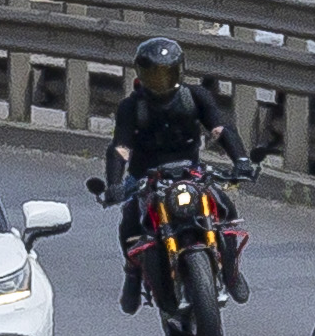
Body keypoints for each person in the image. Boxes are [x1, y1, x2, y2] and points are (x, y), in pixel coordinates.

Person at [100, 35, 246, 313]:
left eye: (166, 74)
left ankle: (232, 270)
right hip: (146, 176)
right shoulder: (131, 107)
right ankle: (132, 275)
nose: (160, 81)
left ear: (180, 70)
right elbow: (120, 148)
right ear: (141, 76)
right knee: (129, 220)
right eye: (153, 75)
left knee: (225, 206)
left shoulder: (196, 97)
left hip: (190, 171)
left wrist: (241, 160)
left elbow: (219, 128)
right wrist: (114, 185)